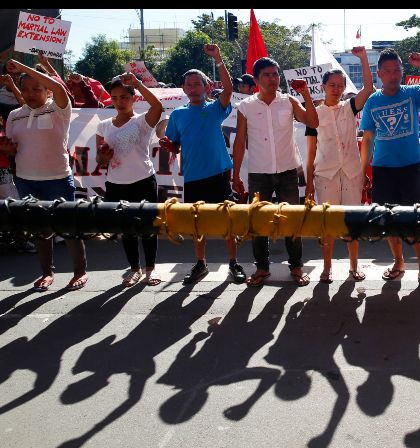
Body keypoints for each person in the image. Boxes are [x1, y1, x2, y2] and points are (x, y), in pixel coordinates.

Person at [158, 43, 247, 285]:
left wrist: (218, 58)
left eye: (198, 83)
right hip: (193, 176)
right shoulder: (177, 115)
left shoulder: (214, 108)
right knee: (197, 223)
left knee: (226, 219)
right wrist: (170, 146)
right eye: (188, 84)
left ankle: (233, 262)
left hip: (219, 173)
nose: (193, 87)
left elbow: (229, 89)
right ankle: (201, 263)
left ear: (207, 87)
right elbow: (175, 145)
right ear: (183, 89)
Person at [359, 48, 420, 290]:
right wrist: (363, 169)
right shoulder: (373, 101)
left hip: (411, 167)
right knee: (389, 220)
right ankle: (399, 263)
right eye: (387, 71)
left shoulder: (413, 93)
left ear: (402, 71)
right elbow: (367, 138)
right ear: (379, 74)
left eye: (397, 70)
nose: (393, 75)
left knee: (419, 219)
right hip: (383, 169)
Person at [0, 59, 87, 291]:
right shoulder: (14, 115)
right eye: (25, 89)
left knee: (69, 228)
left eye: (36, 88)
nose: (29, 94)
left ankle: (80, 271)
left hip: (58, 179)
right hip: (27, 181)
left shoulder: (59, 108)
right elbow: (13, 148)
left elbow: (60, 88)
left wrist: (25, 67)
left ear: (47, 90)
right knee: (40, 230)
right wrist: (8, 151)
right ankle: (47, 273)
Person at [232, 56, 318, 287]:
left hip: (288, 171)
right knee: (258, 222)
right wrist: (235, 174)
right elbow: (240, 142)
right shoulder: (246, 106)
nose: (272, 79)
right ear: (257, 79)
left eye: (275, 74)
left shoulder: (289, 101)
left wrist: (306, 94)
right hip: (258, 172)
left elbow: (313, 121)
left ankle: (297, 266)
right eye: (266, 75)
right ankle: (262, 268)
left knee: (291, 220)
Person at [304, 46, 374, 283]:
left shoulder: (350, 107)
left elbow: (369, 89)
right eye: (331, 85)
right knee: (328, 223)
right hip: (325, 174)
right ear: (323, 86)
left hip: (352, 172)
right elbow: (311, 150)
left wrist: (363, 59)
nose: (336, 89)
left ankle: (354, 266)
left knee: (352, 222)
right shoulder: (313, 114)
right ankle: (327, 267)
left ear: (345, 87)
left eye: (340, 85)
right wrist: (310, 183)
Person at [95, 72, 163, 287]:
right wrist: (103, 156)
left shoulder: (142, 122)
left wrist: (139, 83)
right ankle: (134, 269)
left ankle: (150, 269)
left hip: (144, 181)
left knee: (148, 228)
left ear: (134, 98)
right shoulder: (103, 125)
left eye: (124, 97)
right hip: (115, 184)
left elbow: (158, 107)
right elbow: (99, 158)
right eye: (114, 98)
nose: (119, 102)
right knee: (127, 230)